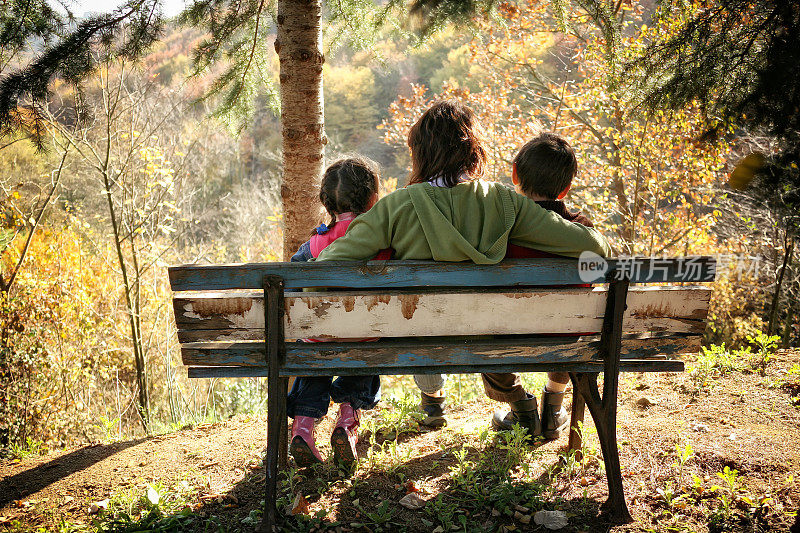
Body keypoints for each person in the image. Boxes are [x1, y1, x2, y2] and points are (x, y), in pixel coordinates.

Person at [315, 101, 612, 438]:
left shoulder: (396, 207)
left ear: (421, 153)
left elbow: (326, 267)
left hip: (422, 335)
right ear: (472, 150)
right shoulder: (503, 202)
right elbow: (597, 250)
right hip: (491, 333)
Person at [287, 157, 391, 468]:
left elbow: (292, 291)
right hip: (365, 338)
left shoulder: (314, 245)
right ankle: (347, 422)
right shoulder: (383, 241)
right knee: (365, 346)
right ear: (373, 198)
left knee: (315, 349)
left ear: (327, 201)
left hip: (321, 338)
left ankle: (303, 428)